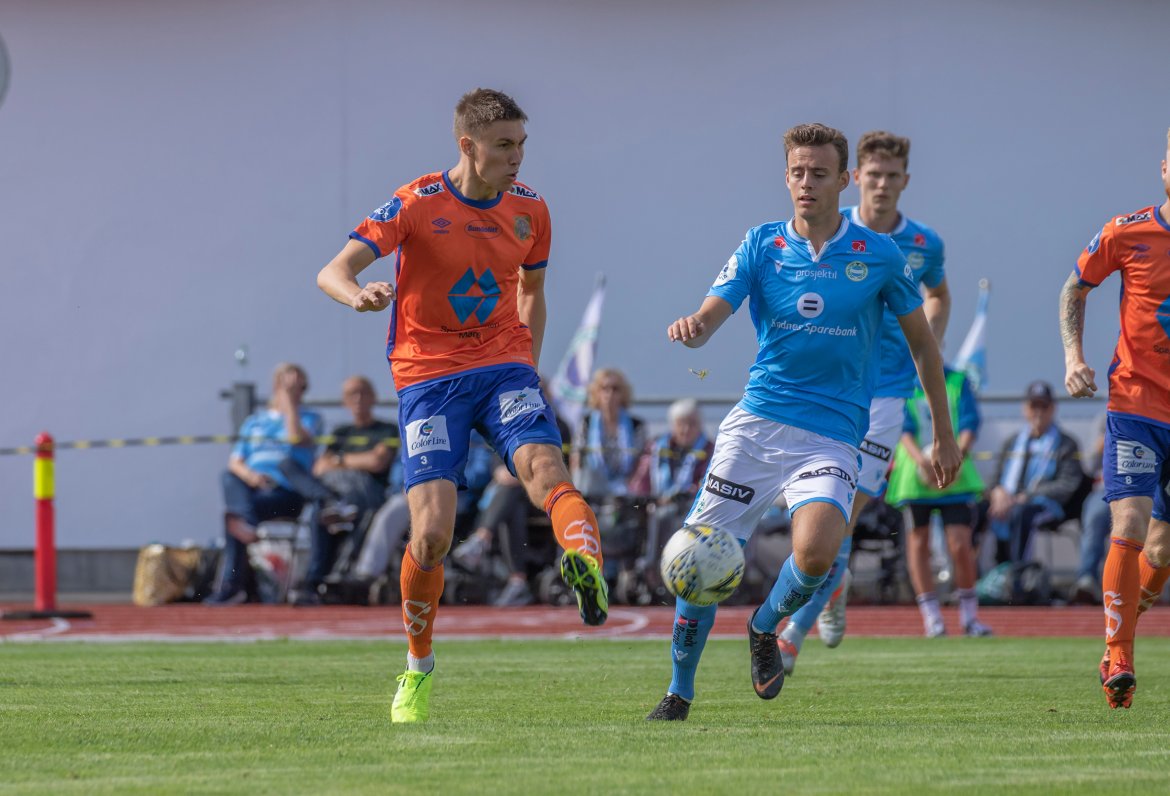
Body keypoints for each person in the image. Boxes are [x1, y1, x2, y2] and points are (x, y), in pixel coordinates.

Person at [647, 123, 961, 721]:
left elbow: (924, 346)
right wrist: (695, 326)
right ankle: (678, 692)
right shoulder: (761, 243)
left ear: (843, 180)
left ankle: (765, 626)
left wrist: (943, 435)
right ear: (786, 177)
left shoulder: (879, 254)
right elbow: (713, 314)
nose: (806, 183)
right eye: (797, 172)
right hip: (757, 426)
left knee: (817, 553)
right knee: (700, 560)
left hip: (833, 433)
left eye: (819, 173)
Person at [316, 88, 607, 724]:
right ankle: (418, 667)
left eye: (521, 144)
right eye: (504, 145)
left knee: (545, 471)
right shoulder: (417, 202)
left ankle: (584, 562)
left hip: (504, 366)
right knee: (431, 534)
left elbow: (532, 290)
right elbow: (332, 271)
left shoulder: (531, 209)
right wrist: (358, 296)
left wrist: (528, 365)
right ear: (467, 146)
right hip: (428, 377)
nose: (517, 157)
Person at [775, 130, 952, 671]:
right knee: (812, 518)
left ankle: (791, 636)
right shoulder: (834, 230)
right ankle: (832, 583)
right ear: (857, 179)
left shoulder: (923, 243)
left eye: (891, 176)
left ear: (905, 181)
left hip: (886, 395)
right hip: (830, 391)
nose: (881, 185)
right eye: (873, 175)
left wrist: (929, 340)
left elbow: (939, 294)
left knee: (843, 515)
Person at [1060, 130, 1170, 709]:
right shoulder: (1126, 231)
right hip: (1135, 405)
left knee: (1161, 552)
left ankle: (1121, 626)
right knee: (1128, 522)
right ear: (1164, 168)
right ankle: (1120, 655)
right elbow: (1075, 288)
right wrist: (1073, 357)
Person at [884, 367, 992, 638]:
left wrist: (953, 457)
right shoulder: (904, 381)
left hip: (955, 477)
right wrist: (924, 463)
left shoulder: (957, 381)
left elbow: (969, 423)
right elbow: (904, 428)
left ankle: (969, 617)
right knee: (918, 543)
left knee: (960, 544)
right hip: (916, 478)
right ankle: (932, 618)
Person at [206, 363, 324, 605]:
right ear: (275, 385)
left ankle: (232, 585)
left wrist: (289, 403)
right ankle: (246, 524)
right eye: (289, 385)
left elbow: (295, 437)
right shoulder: (255, 422)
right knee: (229, 481)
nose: (296, 391)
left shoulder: (311, 418)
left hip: (285, 492)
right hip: (253, 488)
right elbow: (235, 462)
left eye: (300, 387)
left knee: (234, 518)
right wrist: (252, 477)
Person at [292, 375, 399, 606]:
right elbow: (320, 467)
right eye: (352, 394)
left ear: (373, 398)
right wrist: (357, 460)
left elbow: (377, 462)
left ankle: (327, 578)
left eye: (363, 392)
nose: (358, 399)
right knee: (319, 510)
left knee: (334, 507)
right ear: (345, 401)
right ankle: (315, 581)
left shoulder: (387, 430)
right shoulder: (341, 432)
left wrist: (340, 460)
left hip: (368, 492)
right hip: (339, 491)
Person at [986, 382, 1085, 577]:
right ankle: (981, 579)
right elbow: (995, 478)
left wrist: (1028, 496)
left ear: (1053, 409)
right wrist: (997, 492)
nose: (1038, 412)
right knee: (979, 510)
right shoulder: (1013, 442)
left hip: (1046, 505)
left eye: (1044, 406)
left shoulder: (1066, 444)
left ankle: (1017, 575)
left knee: (1021, 513)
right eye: (1034, 406)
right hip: (1009, 502)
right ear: (1025, 409)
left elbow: (1067, 485)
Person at [571, 368, 647, 581]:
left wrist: (627, 484)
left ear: (623, 393)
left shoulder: (637, 425)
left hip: (625, 487)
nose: (610, 394)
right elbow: (577, 459)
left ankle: (622, 569)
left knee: (627, 509)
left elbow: (641, 463)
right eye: (604, 388)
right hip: (593, 486)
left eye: (615, 389)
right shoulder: (586, 422)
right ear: (596, 392)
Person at [628, 398, 714, 580]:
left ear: (700, 425)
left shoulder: (710, 449)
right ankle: (645, 570)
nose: (686, 429)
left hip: (692, 507)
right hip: (656, 504)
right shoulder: (657, 447)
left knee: (664, 515)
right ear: (672, 425)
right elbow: (640, 481)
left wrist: (678, 496)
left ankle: (662, 567)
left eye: (691, 424)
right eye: (681, 424)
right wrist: (648, 498)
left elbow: (708, 483)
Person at [1069, 414, 1110, 604]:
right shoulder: (1104, 419)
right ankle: (1087, 578)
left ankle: (1145, 580)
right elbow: (1088, 467)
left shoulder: (1154, 411)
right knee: (1094, 516)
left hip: (1146, 488)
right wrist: (1099, 447)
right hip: (1106, 489)